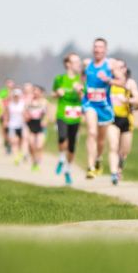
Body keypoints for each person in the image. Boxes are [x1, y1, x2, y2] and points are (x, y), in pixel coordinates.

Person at [82, 38, 114, 179]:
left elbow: (122, 81)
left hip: (104, 106)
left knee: (101, 140)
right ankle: (90, 167)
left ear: (105, 50)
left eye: (100, 47)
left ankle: (98, 158)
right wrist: (80, 87)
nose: (97, 50)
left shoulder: (110, 65)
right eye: (95, 47)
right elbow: (82, 79)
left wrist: (108, 80)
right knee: (91, 132)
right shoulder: (87, 64)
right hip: (89, 103)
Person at [108, 59, 138, 184]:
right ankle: (113, 173)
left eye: (121, 67)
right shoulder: (109, 82)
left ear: (125, 69)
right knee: (113, 146)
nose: (118, 70)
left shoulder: (130, 83)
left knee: (124, 151)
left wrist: (127, 100)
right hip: (112, 119)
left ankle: (119, 167)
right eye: (115, 68)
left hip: (126, 119)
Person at [52, 53, 85, 185]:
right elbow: (53, 94)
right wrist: (57, 93)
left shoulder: (81, 79)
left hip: (75, 116)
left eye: (79, 62)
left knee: (71, 145)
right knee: (62, 137)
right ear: (68, 64)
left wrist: (79, 91)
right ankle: (61, 158)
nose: (79, 64)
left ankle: (68, 170)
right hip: (62, 114)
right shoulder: (59, 79)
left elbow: (84, 99)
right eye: (76, 62)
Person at [25, 85, 49, 171]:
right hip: (31, 124)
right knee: (31, 145)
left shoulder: (44, 102)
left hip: (40, 125)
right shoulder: (29, 102)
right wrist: (27, 116)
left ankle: (38, 161)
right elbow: (25, 113)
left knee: (39, 145)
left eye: (37, 91)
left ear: (41, 92)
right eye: (34, 91)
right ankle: (33, 161)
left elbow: (47, 114)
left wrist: (45, 120)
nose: (35, 92)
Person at [6, 87, 26, 164]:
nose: (16, 97)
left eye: (17, 96)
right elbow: (7, 114)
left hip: (21, 125)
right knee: (14, 141)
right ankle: (16, 157)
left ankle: (20, 152)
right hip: (12, 125)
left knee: (21, 141)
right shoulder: (10, 104)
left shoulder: (23, 104)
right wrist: (6, 122)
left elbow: (25, 114)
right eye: (15, 96)